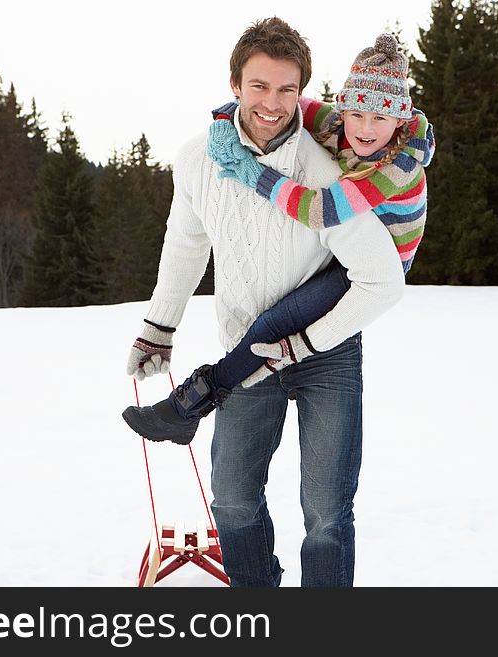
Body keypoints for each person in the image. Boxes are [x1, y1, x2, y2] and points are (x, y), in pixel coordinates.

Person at [124, 18, 405, 587]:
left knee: (326, 513)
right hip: (245, 351)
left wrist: (305, 342)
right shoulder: (198, 158)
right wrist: (159, 326)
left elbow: (383, 278)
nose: (272, 103)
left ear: (301, 91)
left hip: (325, 353)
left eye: (285, 89)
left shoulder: (326, 175)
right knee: (231, 503)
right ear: (235, 84)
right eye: (259, 86)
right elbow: (186, 242)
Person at [123, 33, 434, 445]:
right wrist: (222, 123)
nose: (365, 128)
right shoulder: (337, 122)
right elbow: (273, 105)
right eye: (358, 114)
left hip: (381, 262)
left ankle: (188, 406)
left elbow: (321, 211)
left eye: (381, 119)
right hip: (327, 264)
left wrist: (253, 175)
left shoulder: (398, 166)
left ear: (400, 121)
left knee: (274, 323)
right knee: (270, 326)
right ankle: (187, 408)